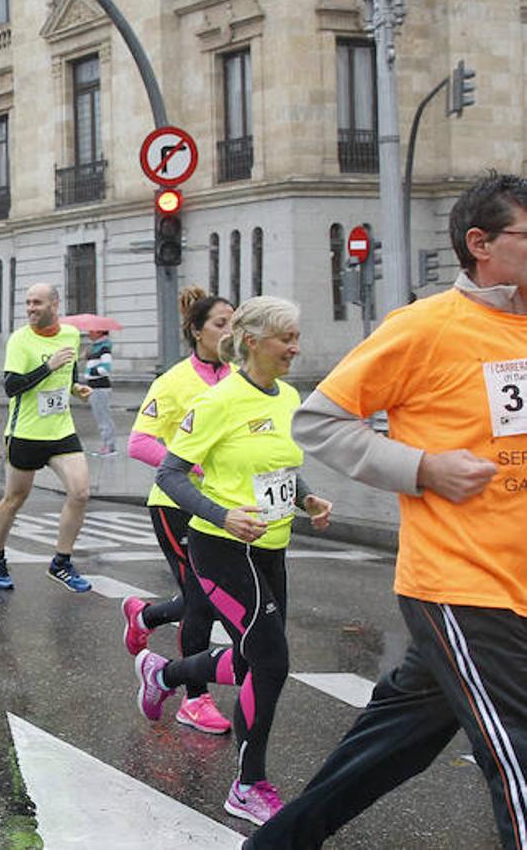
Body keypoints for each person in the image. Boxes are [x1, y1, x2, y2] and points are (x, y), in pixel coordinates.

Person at [246, 174, 527, 849]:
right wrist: (422, 468)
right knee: (518, 757)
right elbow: (318, 423)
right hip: (462, 583)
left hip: (516, 583)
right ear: (479, 244)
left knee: (392, 745)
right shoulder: (426, 326)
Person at [134, 296, 333, 826]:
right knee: (271, 662)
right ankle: (248, 785)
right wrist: (223, 516)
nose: (294, 347)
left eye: (296, 337)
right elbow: (170, 475)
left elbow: (279, 466)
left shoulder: (288, 396)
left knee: (251, 661)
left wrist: (305, 497)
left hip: (272, 547)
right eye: (284, 338)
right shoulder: (218, 401)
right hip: (221, 548)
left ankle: (165, 674)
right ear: (252, 342)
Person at [122, 288, 234, 735]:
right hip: (176, 506)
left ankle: (145, 617)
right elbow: (139, 442)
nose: (229, 332)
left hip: (224, 508)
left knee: (207, 595)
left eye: (234, 323)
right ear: (196, 331)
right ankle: (195, 698)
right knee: (202, 601)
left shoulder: (239, 378)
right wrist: (193, 462)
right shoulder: (172, 382)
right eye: (220, 324)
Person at [0, 284, 94, 592]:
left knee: (81, 492)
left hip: (61, 430)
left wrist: (76, 388)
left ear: (54, 304)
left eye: (37, 303)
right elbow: (12, 387)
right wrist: (48, 367)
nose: (31, 308)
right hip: (25, 433)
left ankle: (61, 562)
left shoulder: (71, 335)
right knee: (15, 499)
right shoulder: (21, 340)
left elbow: (69, 373)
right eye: (28, 303)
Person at [84, 329, 116, 456]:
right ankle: (108, 445)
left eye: (92, 331)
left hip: (100, 387)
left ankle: (109, 446)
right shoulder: (96, 347)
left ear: (100, 332)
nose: (89, 333)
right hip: (94, 387)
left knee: (103, 417)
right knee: (100, 417)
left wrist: (91, 372)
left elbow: (106, 368)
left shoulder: (104, 348)